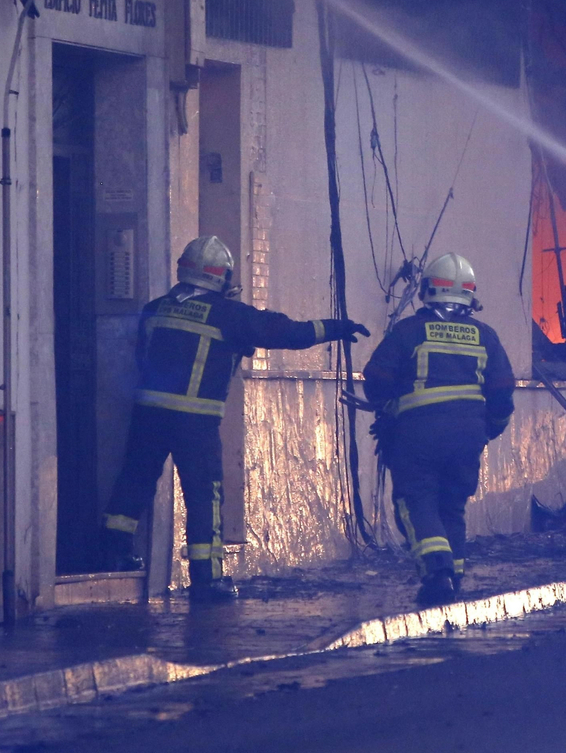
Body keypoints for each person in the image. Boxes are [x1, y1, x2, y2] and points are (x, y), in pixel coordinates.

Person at [100, 236, 368, 603]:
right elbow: (286, 333)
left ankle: (112, 554)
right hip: (195, 422)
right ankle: (207, 580)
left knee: (134, 480)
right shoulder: (228, 314)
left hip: (148, 414)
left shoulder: (155, 308)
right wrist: (336, 328)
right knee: (203, 495)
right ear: (221, 277)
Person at [363, 252, 515, 607]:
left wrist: (387, 408)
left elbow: (377, 379)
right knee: (452, 505)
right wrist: (489, 429)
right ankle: (454, 577)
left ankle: (437, 572)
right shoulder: (486, 337)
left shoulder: (408, 332)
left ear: (427, 290)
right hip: (469, 438)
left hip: (417, 436)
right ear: (470, 294)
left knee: (416, 501)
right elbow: (502, 391)